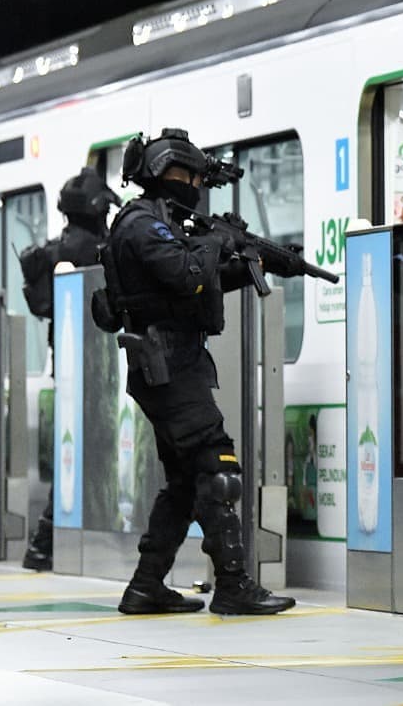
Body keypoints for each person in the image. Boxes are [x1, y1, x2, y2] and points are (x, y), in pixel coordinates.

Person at [96, 127, 295, 616]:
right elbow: (185, 273)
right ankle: (232, 584)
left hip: (174, 362)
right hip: (166, 365)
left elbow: (191, 287)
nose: (195, 186)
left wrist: (248, 263)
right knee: (216, 465)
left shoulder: (158, 222)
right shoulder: (142, 224)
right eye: (189, 175)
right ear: (166, 173)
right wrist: (217, 242)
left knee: (185, 483)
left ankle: (146, 586)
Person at [20, 167, 120, 571]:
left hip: (69, 365)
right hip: (95, 366)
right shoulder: (94, 251)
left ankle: (46, 543)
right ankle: (45, 541)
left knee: (77, 450)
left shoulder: (54, 250)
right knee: (88, 449)